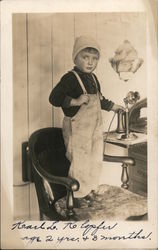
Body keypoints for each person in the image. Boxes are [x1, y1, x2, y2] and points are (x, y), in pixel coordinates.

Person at [49, 35, 125, 198]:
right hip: (77, 131)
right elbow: (54, 98)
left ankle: (90, 190)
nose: (90, 62)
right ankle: (77, 196)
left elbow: (99, 99)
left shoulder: (93, 78)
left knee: (95, 159)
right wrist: (74, 101)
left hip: (94, 130)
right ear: (75, 58)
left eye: (95, 59)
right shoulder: (70, 78)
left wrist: (113, 107)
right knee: (79, 162)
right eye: (85, 57)